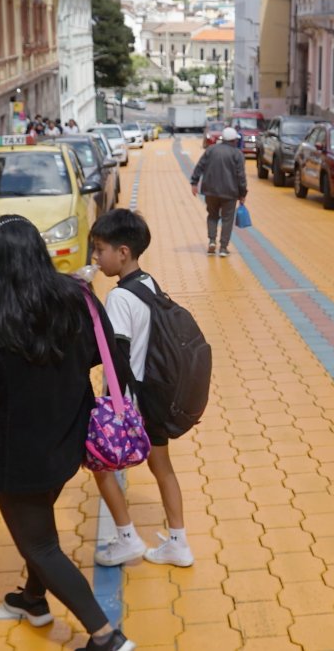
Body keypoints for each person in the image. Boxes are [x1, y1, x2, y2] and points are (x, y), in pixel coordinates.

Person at [0, 215, 135, 651]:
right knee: (37, 523)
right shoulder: (76, 297)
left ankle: (106, 636)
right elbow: (112, 359)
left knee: (40, 543)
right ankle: (33, 599)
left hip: (14, 456)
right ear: (40, 252)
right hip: (68, 441)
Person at [88, 210, 193, 569]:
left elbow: (115, 357)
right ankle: (178, 542)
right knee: (162, 466)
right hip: (156, 397)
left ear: (122, 252)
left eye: (99, 250)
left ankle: (127, 538)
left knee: (100, 467)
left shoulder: (119, 298)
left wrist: (107, 405)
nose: (95, 258)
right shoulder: (149, 283)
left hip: (130, 405)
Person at [190, 126, 247, 257]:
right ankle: (223, 247)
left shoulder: (211, 150)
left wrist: (194, 182)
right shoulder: (237, 154)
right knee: (227, 219)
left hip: (210, 191)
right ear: (233, 140)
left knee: (212, 215)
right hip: (230, 193)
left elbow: (200, 166)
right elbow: (241, 176)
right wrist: (243, 194)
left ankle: (211, 241)